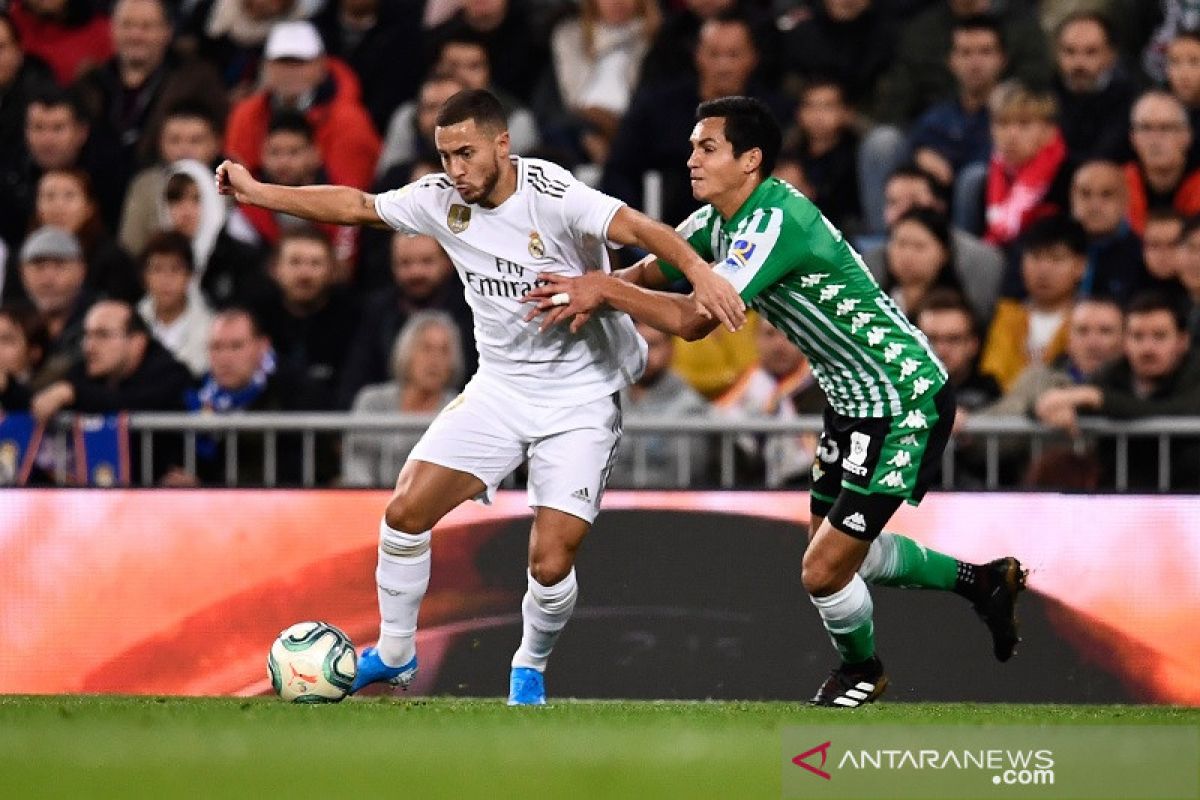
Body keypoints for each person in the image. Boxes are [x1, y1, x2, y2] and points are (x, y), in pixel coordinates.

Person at [215, 87, 744, 705]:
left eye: (466, 154)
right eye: (444, 156)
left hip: (580, 396)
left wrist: (702, 273)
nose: (455, 170)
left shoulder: (552, 193)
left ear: (502, 145)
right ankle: (393, 654)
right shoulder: (440, 200)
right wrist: (257, 192)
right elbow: (356, 205)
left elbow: (638, 227)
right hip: (499, 389)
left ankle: (529, 665)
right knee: (405, 514)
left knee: (549, 564)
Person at [524, 96, 1025, 707]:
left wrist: (601, 289)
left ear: (750, 159)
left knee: (823, 571)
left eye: (707, 148)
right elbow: (659, 273)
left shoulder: (774, 222)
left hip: (903, 398)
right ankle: (983, 583)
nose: (691, 159)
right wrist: (584, 289)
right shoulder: (718, 223)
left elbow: (691, 321)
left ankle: (862, 671)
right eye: (691, 147)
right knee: (841, 559)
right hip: (849, 402)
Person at [342, 310, 464, 487]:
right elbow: (357, 468)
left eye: (444, 351)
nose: (435, 360)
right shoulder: (372, 402)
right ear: (406, 353)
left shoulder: (461, 411)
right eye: (426, 348)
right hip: (371, 505)